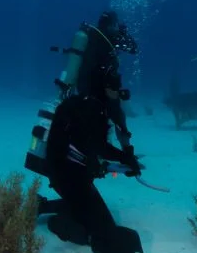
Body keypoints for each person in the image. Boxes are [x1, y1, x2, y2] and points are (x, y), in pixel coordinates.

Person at [37, 64, 145, 253]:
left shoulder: (81, 104)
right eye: (114, 90)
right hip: (68, 177)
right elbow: (99, 147)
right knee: (100, 229)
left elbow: (86, 148)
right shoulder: (93, 110)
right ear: (105, 89)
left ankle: (43, 206)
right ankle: (59, 224)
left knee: (91, 210)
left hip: (66, 174)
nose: (117, 95)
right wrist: (125, 158)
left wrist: (123, 161)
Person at [59, 11, 138, 150]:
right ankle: (126, 152)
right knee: (117, 117)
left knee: (91, 118)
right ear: (112, 24)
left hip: (84, 85)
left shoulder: (90, 35)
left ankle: (88, 150)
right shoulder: (112, 37)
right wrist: (124, 33)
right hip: (104, 87)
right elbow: (134, 49)